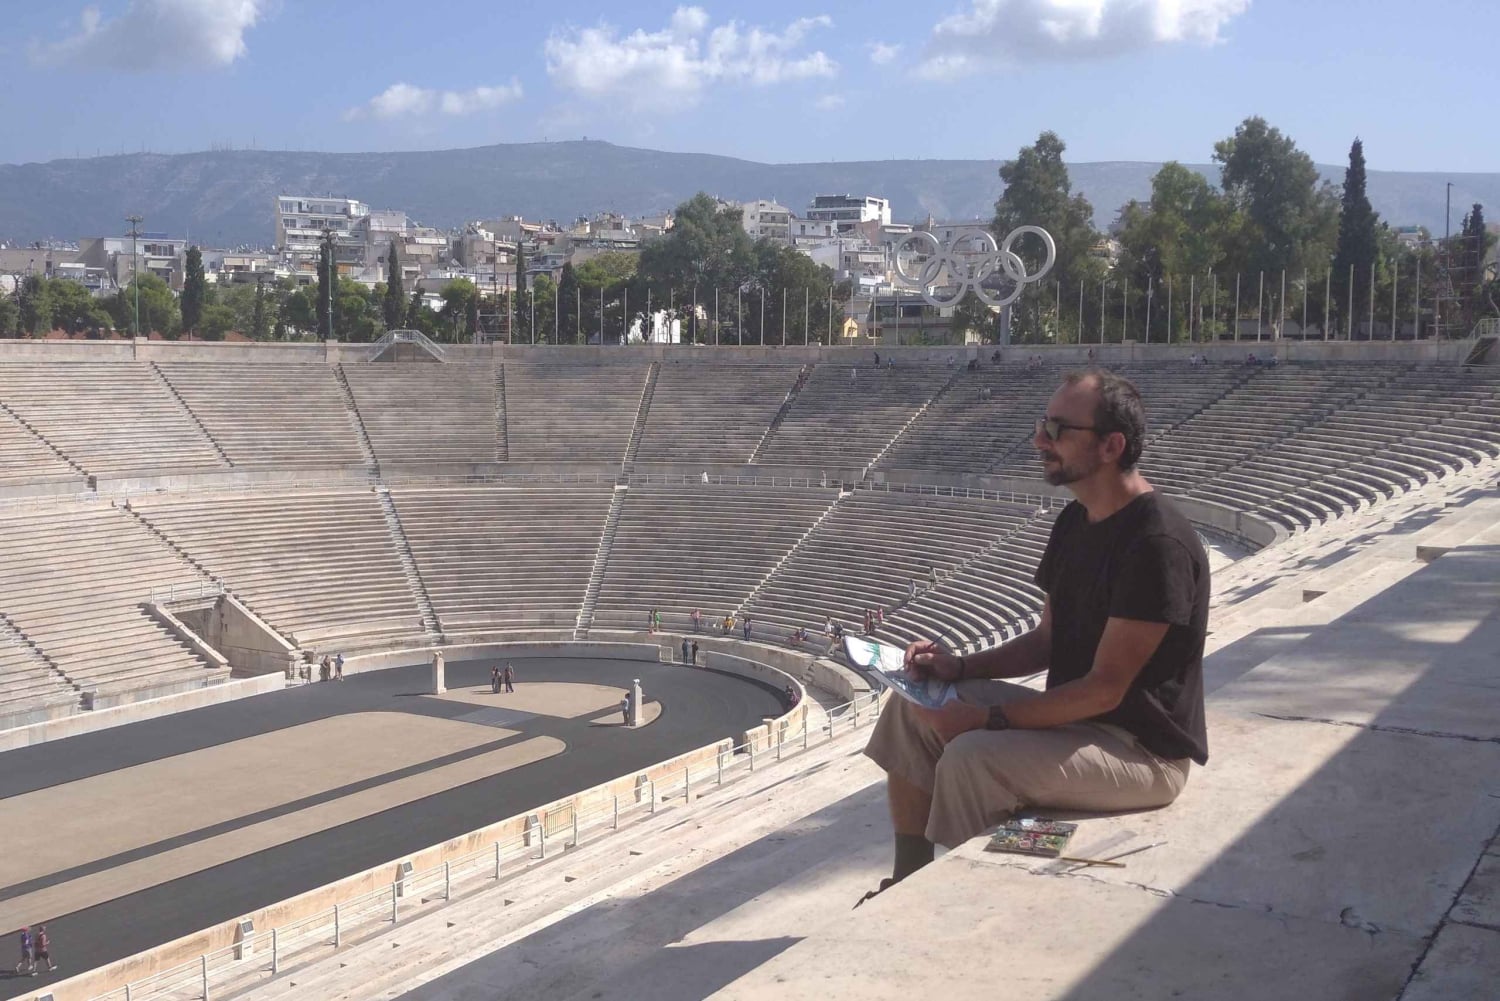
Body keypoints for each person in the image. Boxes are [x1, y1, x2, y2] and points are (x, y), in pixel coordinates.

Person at [859, 368, 1209, 905]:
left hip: (1142, 754)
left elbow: (1104, 689)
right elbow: (1047, 641)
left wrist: (985, 719)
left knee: (972, 756)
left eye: (1057, 429)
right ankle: (906, 880)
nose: (1039, 440)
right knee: (911, 707)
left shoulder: (1156, 544)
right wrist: (959, 668)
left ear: (1111, 445)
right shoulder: (1077, 520)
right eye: (1043, 425)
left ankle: (951, 904)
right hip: (1078, 725)